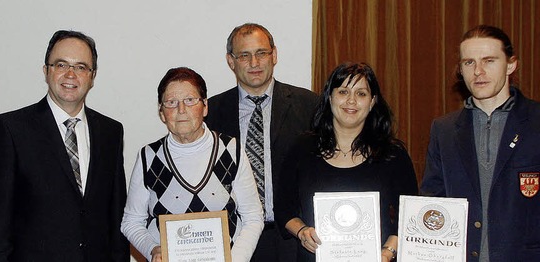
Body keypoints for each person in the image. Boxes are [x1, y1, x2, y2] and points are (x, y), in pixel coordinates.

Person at [0, 30, 129, 261]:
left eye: (81, 67)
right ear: (46, 71)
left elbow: (116, 214)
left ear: (92, 76)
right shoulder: (11, 129)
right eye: (61, 65)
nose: (71, 74)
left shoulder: (110, 131)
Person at [274, 62, 418, 261]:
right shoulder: (302, 148)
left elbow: (410, 217)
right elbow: (283, 209)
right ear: (330, 97)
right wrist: (302, 231)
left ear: (373, 101)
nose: (351, 101)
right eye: (343, 92)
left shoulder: (393, 154)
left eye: (361, 94)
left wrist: (387, 253)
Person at [420, 25, 540, 261]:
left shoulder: (536, 122)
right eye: (469, 63)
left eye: (489, 61)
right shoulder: (443, 130)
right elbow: (432, 202)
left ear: (511, 64)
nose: (478, 71)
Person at [121, 67, 263, 262]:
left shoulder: (231, 150)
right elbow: (131, 222)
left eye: (190, 100)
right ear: (162, 113)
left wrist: (236, 260)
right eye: (171, 102)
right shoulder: (148, 156)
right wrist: (152, 249)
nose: (181, 110)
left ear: (205, 106)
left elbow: (253, 217)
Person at [205, 23, 319, 262]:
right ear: (230, 60)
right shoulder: (211, 112)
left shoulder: (309, 105)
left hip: (293, 239)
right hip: (233, 240)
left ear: (274, 55)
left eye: (261, 53)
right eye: (244, 55)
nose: (254, 63)